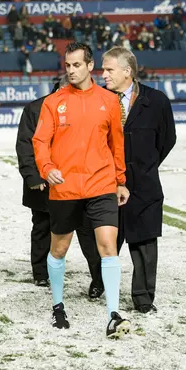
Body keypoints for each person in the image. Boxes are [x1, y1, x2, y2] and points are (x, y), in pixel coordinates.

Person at [32, 42, 131, 337]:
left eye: (77, 65)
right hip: (65, 188)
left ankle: (113, 313)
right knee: (59, 249)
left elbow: (116, 143)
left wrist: (121, 179)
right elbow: (39, 142)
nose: (72, 70)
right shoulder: (53, 102)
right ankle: (58, 306)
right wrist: (48, 169)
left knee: (107, 245)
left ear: (90, 66)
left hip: (101, 184)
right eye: (68, 66)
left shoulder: (110, 101)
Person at [100, 47, 176, 314]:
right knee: (104, 239)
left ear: (127, 71)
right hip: (105, 183)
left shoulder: (156, 101)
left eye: (109, 70)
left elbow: (167, 141)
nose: (104, 74)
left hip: (144, 184)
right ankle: (100, 284)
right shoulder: (98, 99)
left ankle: (143, 298)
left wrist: (143, 166)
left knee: (144, 242)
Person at [16, 76, 105, 290]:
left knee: (87, 232)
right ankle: (41, 273)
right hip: (44, 184)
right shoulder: (36, 108)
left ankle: (98, 278)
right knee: (42, 228)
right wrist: (34, 177)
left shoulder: (88, 107)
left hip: (81, 183)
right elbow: (25, 145)